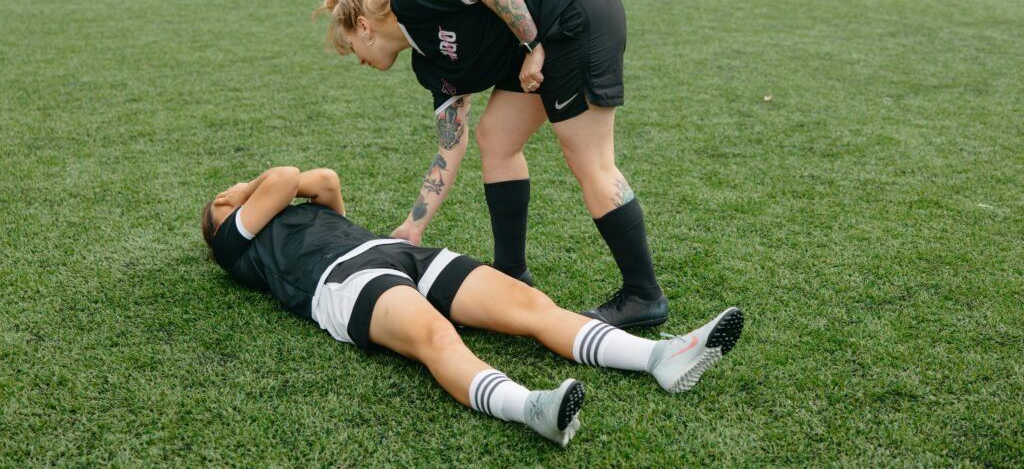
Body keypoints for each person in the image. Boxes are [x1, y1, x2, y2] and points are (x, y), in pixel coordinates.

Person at [200, 166, 745, 447]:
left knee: (532, 306)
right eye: (223, 196)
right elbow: (286, 179)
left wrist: (268, 191)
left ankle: (659, 357)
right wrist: (242, 192)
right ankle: (528, 408)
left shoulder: (263, 215)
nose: (230, 191)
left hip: (400, 252)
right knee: (438, 339)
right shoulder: (234, 242)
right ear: (222, 217)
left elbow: (325, 181)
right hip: (341, 282)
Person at [314, 0, 667, 328]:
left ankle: (643, 294)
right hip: (537, 39)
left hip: (573, 10)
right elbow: (450, 147)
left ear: (365, 27)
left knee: (590, 159)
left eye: (352, 48)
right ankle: (511, 273)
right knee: (496, 139)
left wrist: (532, 47)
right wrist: (412, 227)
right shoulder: (429, 65)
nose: (359, 61)